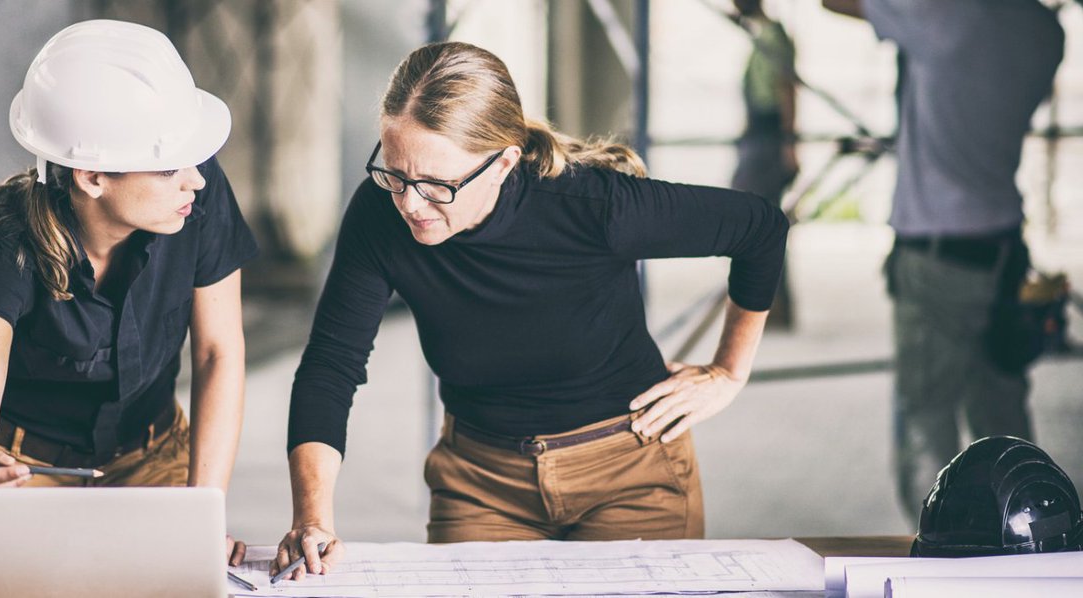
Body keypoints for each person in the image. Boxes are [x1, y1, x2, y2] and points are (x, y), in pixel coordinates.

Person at [274, 41, 789, 580]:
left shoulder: (595, 208)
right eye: (395, 173)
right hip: (480, 480)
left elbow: (760, 228)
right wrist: (313, 518)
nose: (410, 204)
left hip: (630, 471)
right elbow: (331, 366)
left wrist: (729, 371)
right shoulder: (380, 215)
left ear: (504, 163)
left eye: (438, 185)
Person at [0, 20, 258, 563]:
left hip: (155, 455)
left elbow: (218, 352)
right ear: (92, 176)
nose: (195, 179)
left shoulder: (197, 195)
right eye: (171, 165)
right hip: (26, 470)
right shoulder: (7, 237)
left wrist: (202, 508)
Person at [821, 0, 1064, 524]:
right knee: (1002, 417)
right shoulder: (1043, 28)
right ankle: (1024, 541)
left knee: (926, 417)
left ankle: (939, 556)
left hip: (939, 255)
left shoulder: (947, 16)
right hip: (1003, 250)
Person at [730, 0, 798, 327]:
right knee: (759, 220)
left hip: (768, 137)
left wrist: (789, 145)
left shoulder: (774, 38)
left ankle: (770, 306)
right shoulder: (762, 37)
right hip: (759, 136)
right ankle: (770, 306)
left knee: (759, 223)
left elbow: (786, 91)